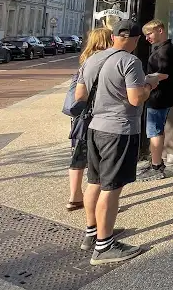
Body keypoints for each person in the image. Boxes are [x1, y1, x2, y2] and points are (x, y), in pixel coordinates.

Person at [74, 19, 164, 266]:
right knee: (111, 188)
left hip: (95, 128)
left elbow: (80, 95)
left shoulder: (93, 59)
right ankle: (104, 246)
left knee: (94, 182)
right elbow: (136, 98)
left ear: (113, 37)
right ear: (135, 40)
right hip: (119, 130)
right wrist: (149, 84)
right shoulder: (130, 61)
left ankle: (92, 233)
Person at [66, 27, 113, 212]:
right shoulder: (106, 61)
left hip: (80, 117)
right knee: (100, 160)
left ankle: (75, 196)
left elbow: (78, 95)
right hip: (97, 117)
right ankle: (99, 202)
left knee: (77, 157)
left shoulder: (85, 60)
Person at [137, 19, 173, 181]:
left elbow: (164, 74)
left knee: (154, 130)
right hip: (159, 95)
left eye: (149, 34)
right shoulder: (164, 48)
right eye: (145, 35)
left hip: (158, 96)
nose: (147, 38)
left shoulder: (165, 50)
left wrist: (143, 80)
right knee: (155, 130)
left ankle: (156, 167)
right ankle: (156, 162)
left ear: (160, 30)